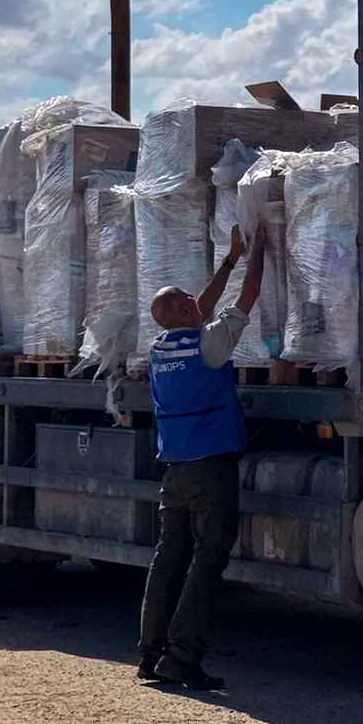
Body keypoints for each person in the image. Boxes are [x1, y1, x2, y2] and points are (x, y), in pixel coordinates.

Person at [139, 223, 266, 691]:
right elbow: (247, 296)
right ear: (186, 309)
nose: (199, 302)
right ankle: (183, 655)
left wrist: (229, 258)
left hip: (175, 469)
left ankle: (151, 652)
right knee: (209, 557)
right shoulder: (210, 346)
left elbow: (202, 308)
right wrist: (262, 245)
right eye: (191, 301)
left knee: (168, 555)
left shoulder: (160, 348)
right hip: (212, 466)